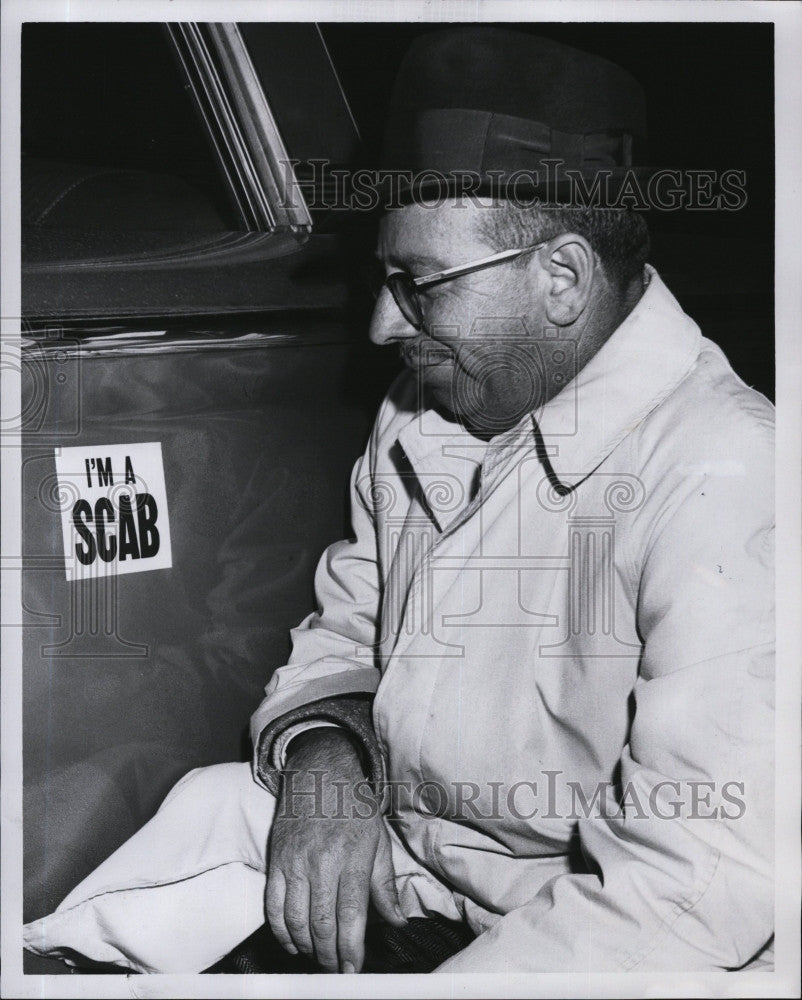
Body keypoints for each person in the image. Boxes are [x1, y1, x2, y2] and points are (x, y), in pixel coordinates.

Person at [23, 27, 774, 975]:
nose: (384, 326)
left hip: (587, 938)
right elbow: (347, 630)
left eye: (418, 286)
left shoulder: (730, 473)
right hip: (412, 877)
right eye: (385, 281)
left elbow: (692, 891)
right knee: (193, 832)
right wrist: (327, 763)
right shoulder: (427, 410)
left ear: (563, 280)